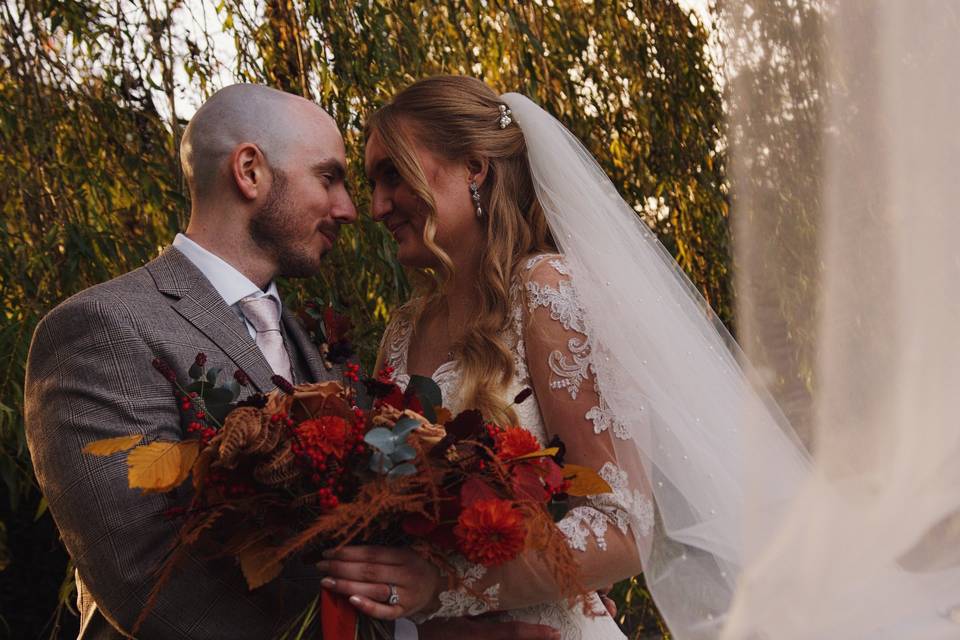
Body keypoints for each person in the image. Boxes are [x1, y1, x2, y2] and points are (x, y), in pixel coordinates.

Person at [24, 83, 560, 640]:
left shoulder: (315, 347)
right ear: (250, 171)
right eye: (328, 178)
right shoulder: (103, 328)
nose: (353, 209)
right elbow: (147, 581)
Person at [317, 75, 810, 639]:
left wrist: (444, 583)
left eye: (393, 175)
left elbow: (622, 526)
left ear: (474, 167)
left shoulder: (546, 292)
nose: (377, 206)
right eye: (372, 181)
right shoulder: (403, 329)